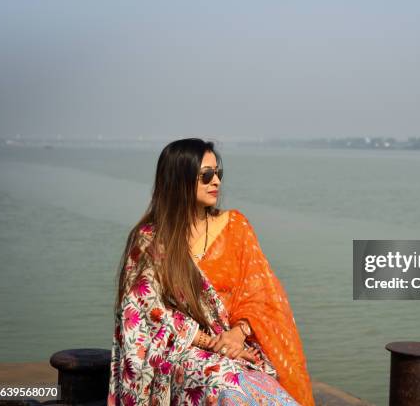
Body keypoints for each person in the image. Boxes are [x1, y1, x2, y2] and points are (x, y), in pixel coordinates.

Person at [108, 138, 315, 405]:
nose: (216, 182)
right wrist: (210, 342)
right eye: (206, 175)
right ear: (179, 179)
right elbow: (143, 310)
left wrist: (235, 336)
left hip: (236, 345)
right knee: (224, 383)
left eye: (218, 174)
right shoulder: (150, 240)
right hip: (181, 351)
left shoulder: (235, 227)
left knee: (261, 387)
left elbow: (264, 297)